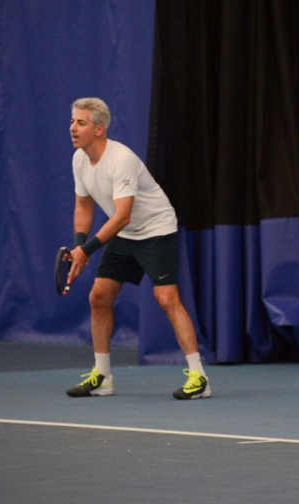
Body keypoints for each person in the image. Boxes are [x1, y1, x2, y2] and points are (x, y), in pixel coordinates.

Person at [65, 97, 210, 400]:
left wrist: (87, 251)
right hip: (124, 233)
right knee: (99, 296)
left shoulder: (122, 159)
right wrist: (78, 245)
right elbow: (83, 204)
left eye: (81, 122)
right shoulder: (79, 159)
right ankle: (102, 376)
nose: (73, 128)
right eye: (72, 121)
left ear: (99, 129)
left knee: (166, 298)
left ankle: (199, 377)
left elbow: (121, 216)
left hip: (156, 229)